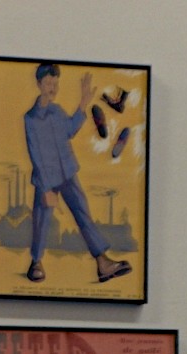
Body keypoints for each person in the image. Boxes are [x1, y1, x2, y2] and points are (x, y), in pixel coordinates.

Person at [24, 64, 132, 286]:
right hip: (47, 178)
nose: (53, 88)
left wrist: (83, 103)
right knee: (42, 220)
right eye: (48, 83)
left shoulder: (57, 111)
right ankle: (36, 262)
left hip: (68, 172)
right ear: (39, 84)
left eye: (55, 83)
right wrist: (45, 188)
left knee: (83, 214)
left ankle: (102, 263)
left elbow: (70, 130)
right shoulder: (30, 119)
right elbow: (35, 154)